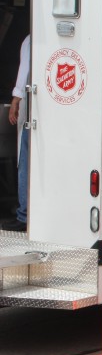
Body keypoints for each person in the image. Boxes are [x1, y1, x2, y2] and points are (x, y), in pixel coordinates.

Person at [3, 35, 30, 232]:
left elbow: (24, 70)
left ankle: (23, 215)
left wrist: (15, 99)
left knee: (25, 164)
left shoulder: (30, 40)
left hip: (32, 115)